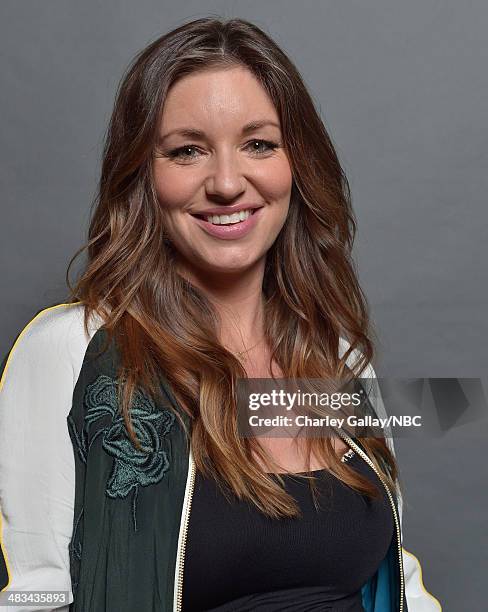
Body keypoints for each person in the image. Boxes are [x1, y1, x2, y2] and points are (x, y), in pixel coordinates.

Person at [0, 16, 441, 612]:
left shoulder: (334, 356)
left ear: (295, 164)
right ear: (143, 176)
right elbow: (39, 597)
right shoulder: (72, 353)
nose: (228, 183)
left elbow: (400, 577)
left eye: (259, 144)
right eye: (187, 151)